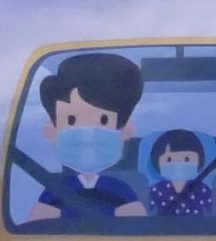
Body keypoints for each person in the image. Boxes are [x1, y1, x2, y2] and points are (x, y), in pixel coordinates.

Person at [24, 51, 148, 223]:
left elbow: (138, 225)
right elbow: (37, 225)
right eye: (71, 120)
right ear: (51, 131)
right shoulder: (56, 189)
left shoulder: (120, 190)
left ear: (126, 130)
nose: (88, 134)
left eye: (103, 121)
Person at [145, 130, 213, 217]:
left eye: (187, 159)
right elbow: (149, 214)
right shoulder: (157, 189)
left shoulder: (203, 189)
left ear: (199, 160)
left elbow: (210, 214)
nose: (178, 164)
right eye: (169, 159)